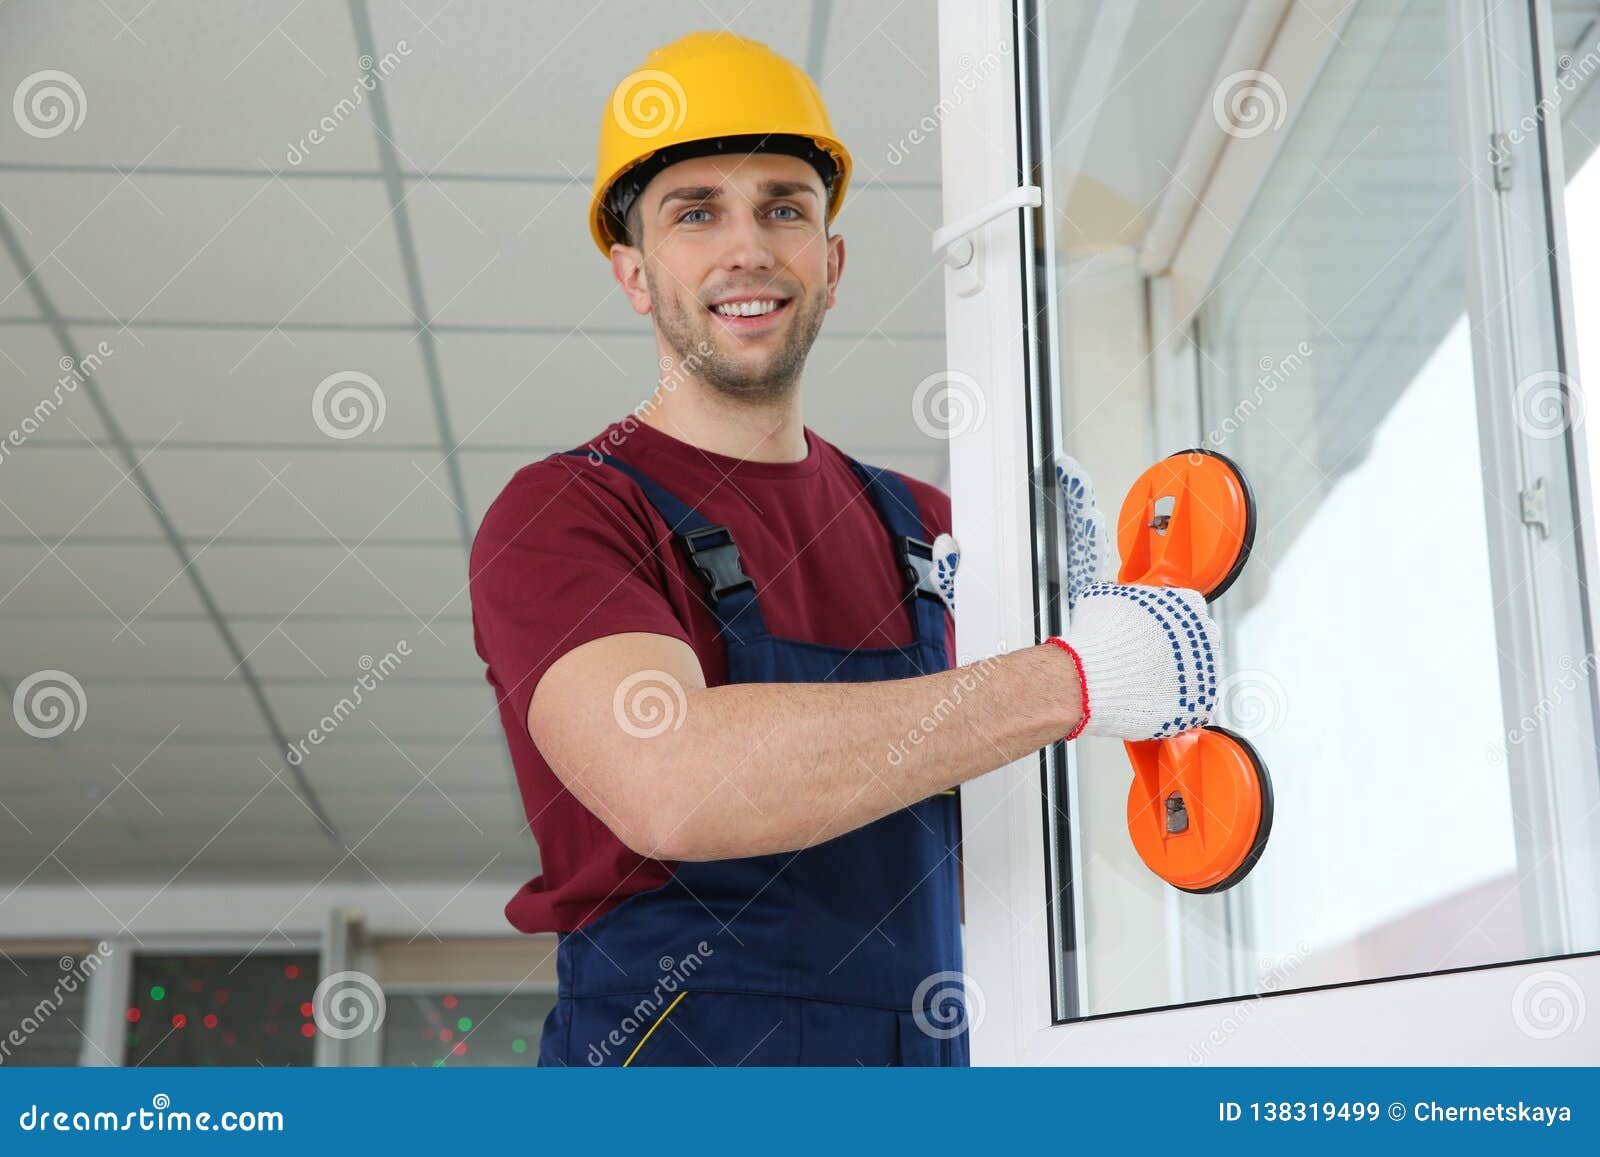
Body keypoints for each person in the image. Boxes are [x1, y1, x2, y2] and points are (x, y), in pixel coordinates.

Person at [468, 29, 1222, 1067]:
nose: (747, 248)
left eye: (784, 207)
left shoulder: (927, 525)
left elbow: (1012, 859)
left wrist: (1080, 654)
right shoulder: (567, 512)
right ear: (633, 274)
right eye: (696, 213)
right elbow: (672, 781)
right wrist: (1070, 677)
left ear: (830, 261)